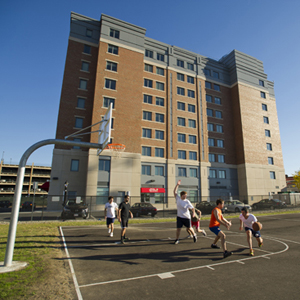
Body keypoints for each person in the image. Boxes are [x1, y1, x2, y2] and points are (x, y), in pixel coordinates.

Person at [173, 180, 197, 245]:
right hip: (179, 217)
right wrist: (177, 185)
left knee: (189, 228)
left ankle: (194, 234)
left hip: (186, 217)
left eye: (186, 195)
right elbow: (174, 192)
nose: (185, 196)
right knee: (178, 229)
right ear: (181, 195)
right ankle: (177, 239)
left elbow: (192, 208)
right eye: (184, 195)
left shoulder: (187, 201)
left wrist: (194, 213)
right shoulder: (178, 199)